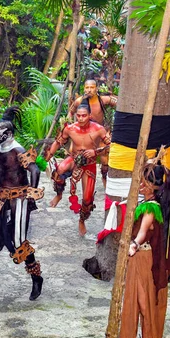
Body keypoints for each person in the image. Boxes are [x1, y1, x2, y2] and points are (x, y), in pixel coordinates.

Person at [0, 107, 45, 301]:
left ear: (9, 134)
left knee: (20, 242)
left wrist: (32, 193)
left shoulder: (18, 150)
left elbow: (35, 170)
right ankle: (3, 233)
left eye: (1, 132)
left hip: (19, 196)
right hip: (1, 194)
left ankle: (36, 277)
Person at [120, 152, 170, 338]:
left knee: (144, 302)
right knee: (137, 300)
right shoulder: (148, 203)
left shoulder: (151, 207)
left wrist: (133, 246)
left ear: (152, 186)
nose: (141, 185)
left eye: (144, 182)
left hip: (143, 259)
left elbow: (143, 232)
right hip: (140, 258)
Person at [45, 99, 110, 236]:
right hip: (74, 158)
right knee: (60, 169)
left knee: (87, 199)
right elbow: (58, 142)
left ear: (90, 116)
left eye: (84, 115)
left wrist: (96, 151)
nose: (80, 118)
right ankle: (59, 195)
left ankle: (82, 220)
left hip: (89, 163)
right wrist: (49, 155)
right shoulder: (70, 128)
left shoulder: (98, 129)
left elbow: (112, 145)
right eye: (78, 115)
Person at [68, 77, 117, 186]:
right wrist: (70, 126)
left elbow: (117, 103)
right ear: (84, 89)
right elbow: (70, 113)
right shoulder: (79, 101)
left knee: (105, 161)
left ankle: (105, 183)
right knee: (73, 153)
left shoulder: (102, 100)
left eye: (92, 87)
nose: (89, 90)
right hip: (83, 135)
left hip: (99, 135)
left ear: (96, 88)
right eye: (87, 87)